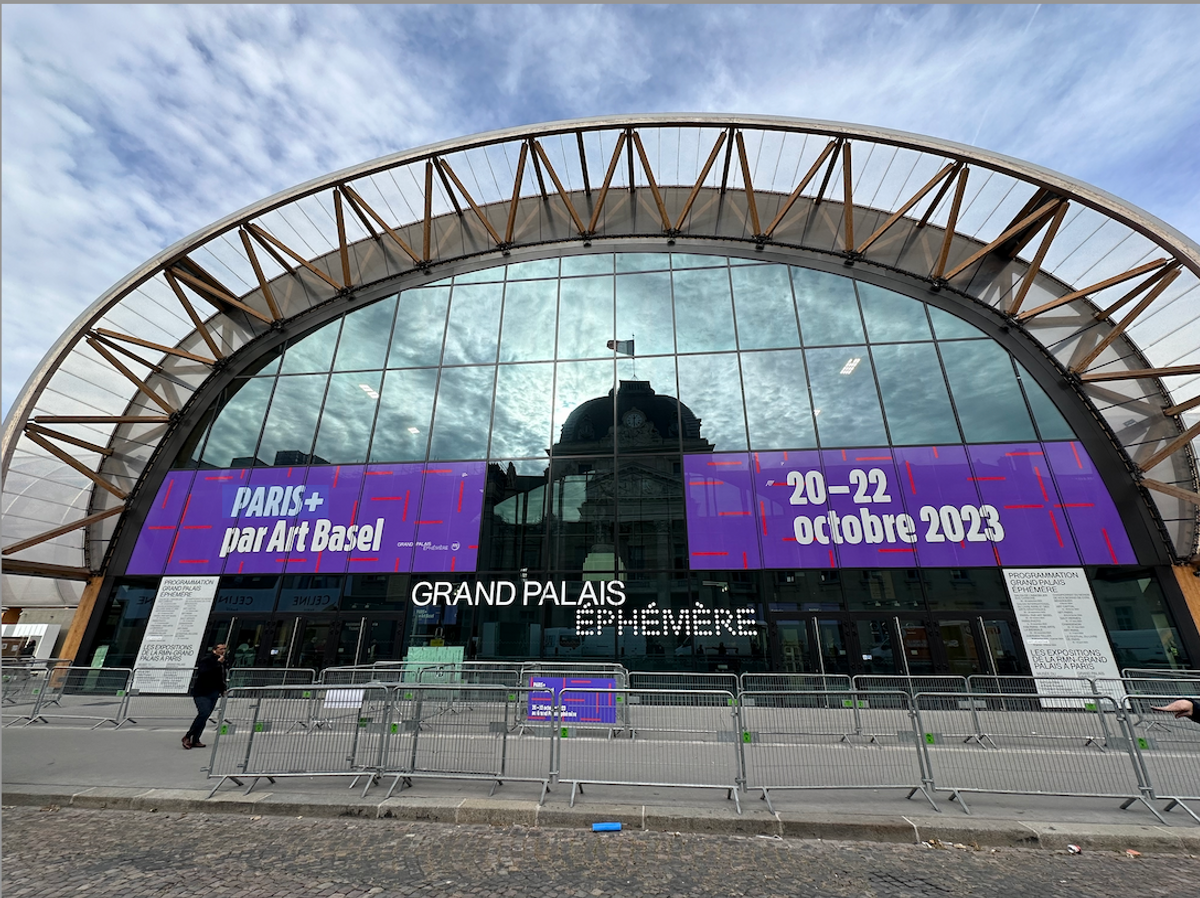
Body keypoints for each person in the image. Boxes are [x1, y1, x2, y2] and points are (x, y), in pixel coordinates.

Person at [183, 644, 227, 750]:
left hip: (214, 691)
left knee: (205, 716)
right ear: (214, 650)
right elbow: (203, 672)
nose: (223, 651)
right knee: (204, 713)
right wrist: (218, 663)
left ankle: (196, 739)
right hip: (202, 692)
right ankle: (188, 736)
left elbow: (221, 677)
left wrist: (223, 689)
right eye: (221, 649)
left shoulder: (222, 661)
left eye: (224, 649)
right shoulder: (207, 660)